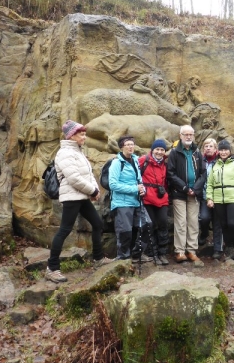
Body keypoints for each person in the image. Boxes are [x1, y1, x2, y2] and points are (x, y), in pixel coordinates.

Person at [46, 120, 113, 283]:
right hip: (71, 197)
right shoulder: (65, 153)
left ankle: (98, 259)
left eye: (84, 133)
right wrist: (93, 190)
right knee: (64, 230)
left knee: (97, 224)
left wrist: (94, 189)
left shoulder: (77, 151)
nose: (84, 137)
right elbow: (74, 178)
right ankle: (52, 268)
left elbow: (88, 173)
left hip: (81, 196)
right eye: (81, 134)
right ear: (72, 136)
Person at [167, 125, 206, 263]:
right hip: (179, 193)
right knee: (181, 223)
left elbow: (203, 173)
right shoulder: (174, 153)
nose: (188, 137)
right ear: (180, 135)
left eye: (191, 134)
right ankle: (180, 251)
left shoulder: (197, 152)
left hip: (194, 194)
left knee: (193, 222)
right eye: (186, 134)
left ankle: (191, 250)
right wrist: (184, 187)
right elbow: (170, 173)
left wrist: (195, 189)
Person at [108, 135, 147, 268]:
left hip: (136, 201)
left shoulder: (135, 160)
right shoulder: (117, 163)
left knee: (146, 225)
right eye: (128, 144)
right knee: (125, 232)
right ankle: (123, 259)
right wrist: (134, 189)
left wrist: (142, 189)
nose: (131, 146)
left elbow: (139, 180)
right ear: (121, 147)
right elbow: (112, 184)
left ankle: (136, 254)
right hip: (122, 203)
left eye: (132, 144)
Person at [206, 140, 234, 261]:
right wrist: (209, 198)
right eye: (222, 150)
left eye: (226, 150)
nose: (223, 152)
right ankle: (229, 248)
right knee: (223, 225)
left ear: (230, 151)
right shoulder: (215, 165)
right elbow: (210, 184)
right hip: (218, 199)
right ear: (218, 151)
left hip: (232, 198)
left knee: (232, 224)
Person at [138, 139, 170, 266]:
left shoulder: (165, 164)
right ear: (152, 150)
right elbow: (135, 174)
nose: (159, 152)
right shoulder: (143, 161)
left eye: (162, 150)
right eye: (157, 149)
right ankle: (153, 253)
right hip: (147, 198)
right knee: (150, 226)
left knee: (163, 224)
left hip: (162, 198)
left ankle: (162, 253)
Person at [199, 138, 224, 259]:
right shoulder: (200, 160)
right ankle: (204, 234)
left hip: (218, 196)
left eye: (211, 146)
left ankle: (217, 248)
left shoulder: (220, 161)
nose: (208, 148)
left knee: (218, 222)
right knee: (204, 218)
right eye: (206, 146)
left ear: (215, 149)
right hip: (204, 196)